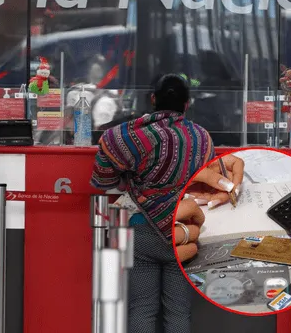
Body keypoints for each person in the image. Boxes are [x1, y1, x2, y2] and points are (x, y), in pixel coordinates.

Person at [90, 74, 220, 333]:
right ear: (187, 104)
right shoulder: (202, 138)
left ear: (152, 100)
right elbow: (207, 183)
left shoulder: (128, 136)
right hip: (183, 232)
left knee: (142, 309)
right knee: (179, 312)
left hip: (141, 231)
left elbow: (102, 181)